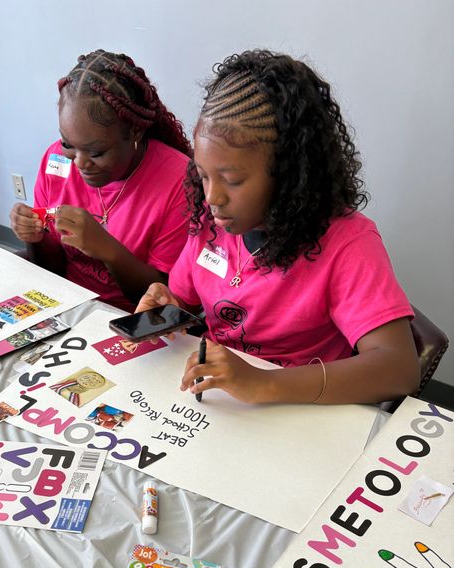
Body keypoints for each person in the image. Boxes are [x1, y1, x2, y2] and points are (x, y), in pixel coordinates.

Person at [136, 50, 420, 405]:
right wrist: (164, 307)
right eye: (203, 175)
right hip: (222, 403)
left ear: (289, 174)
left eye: (232, 180)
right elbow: (184, 300)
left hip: (301, 411)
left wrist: (264, 383)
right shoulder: (213, 222)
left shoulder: (348, 243)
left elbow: (398, 369)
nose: (212, 197)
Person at [10, 49, 192, 312]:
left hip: (131, 319)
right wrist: (33, 237)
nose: (80, 163)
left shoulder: (179, 182)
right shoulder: (55, 160)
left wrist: (107, 249)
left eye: (96, 153)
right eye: (68, 144)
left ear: (135, 131)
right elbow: (52, 269)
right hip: (68, 304)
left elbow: (166, 303)